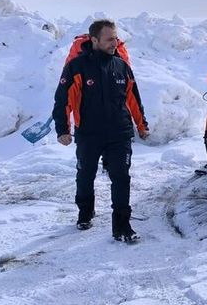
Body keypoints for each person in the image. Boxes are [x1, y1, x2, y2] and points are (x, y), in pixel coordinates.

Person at [52, 19, 149, 242]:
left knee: (121, 177)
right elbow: (63, 99)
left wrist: (141, 125)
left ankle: (122, 225)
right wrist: (63, 129)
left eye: (115, 38)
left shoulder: (121, 66)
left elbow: (133, 98)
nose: (114, 43)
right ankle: (85, 212)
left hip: (119, 132)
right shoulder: (77, 67)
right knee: (85, 175)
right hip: (89, 133)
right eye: (109, 39)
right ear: (94, 40)